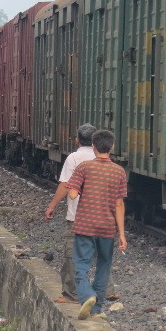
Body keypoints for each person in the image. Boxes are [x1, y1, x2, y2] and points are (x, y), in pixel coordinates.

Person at [45, 123, 119, 304]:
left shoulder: (74, 158)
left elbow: (65, 185)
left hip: (78, 216)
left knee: (73, 254)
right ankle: (107, 290)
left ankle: (72, 294)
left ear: (77, 139)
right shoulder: (107, 161)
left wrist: (52, 205)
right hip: (102, 216)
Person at [66, 129, 127, 320]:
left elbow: (73, 194)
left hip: (85, 225)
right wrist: (122, 235)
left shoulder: (84, 167)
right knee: (104, 265)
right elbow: (119, 203)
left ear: (93, 147)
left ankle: (87, 296)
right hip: (107, 228)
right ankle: (96, 308)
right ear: (112, 148)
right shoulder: (119, 171)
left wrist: (80, 189)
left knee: (81, 264)